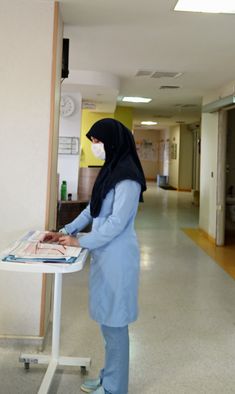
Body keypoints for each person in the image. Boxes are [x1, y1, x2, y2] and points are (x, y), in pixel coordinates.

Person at [44, 118, 146, 394]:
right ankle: (108, 377)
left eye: (98, 142)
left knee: (116, 326)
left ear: (113, 141)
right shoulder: (110, 170)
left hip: (118, 258)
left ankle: (115, 388)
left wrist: (79, 241)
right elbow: (92, 210)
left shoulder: (128, 179)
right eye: (93, 142)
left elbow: (115, 224)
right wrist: (64, 230)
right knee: (107, 324)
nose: (96, 147)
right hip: (104, 255)